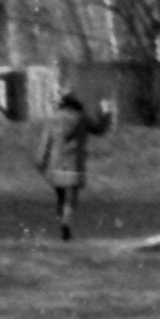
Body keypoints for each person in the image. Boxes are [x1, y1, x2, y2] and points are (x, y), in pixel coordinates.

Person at [30, 88, 114, 237]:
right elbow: (100, 129)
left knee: (60, 195)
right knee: (71, 196)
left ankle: (62, 220)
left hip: (55, 164)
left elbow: (45, 142)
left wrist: (40, 160)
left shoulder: (53, 119)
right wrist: (106, 112)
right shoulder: (82, 118)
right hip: (74, 162)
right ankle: (66, 223)